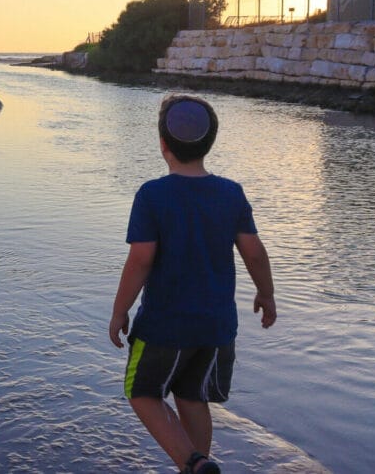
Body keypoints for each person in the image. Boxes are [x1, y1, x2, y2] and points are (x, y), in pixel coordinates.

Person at [108, 94, 276, 474]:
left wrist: (120, 310)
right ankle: (197, 468)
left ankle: (193, 462)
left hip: (165, 325)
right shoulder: (230, 193)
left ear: (162, 145)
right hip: (216, 328)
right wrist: (266, 294)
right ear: (210, 142)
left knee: (141, 392)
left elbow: (141, 259)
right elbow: (254, 252)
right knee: (191, 395)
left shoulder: (152, 195)